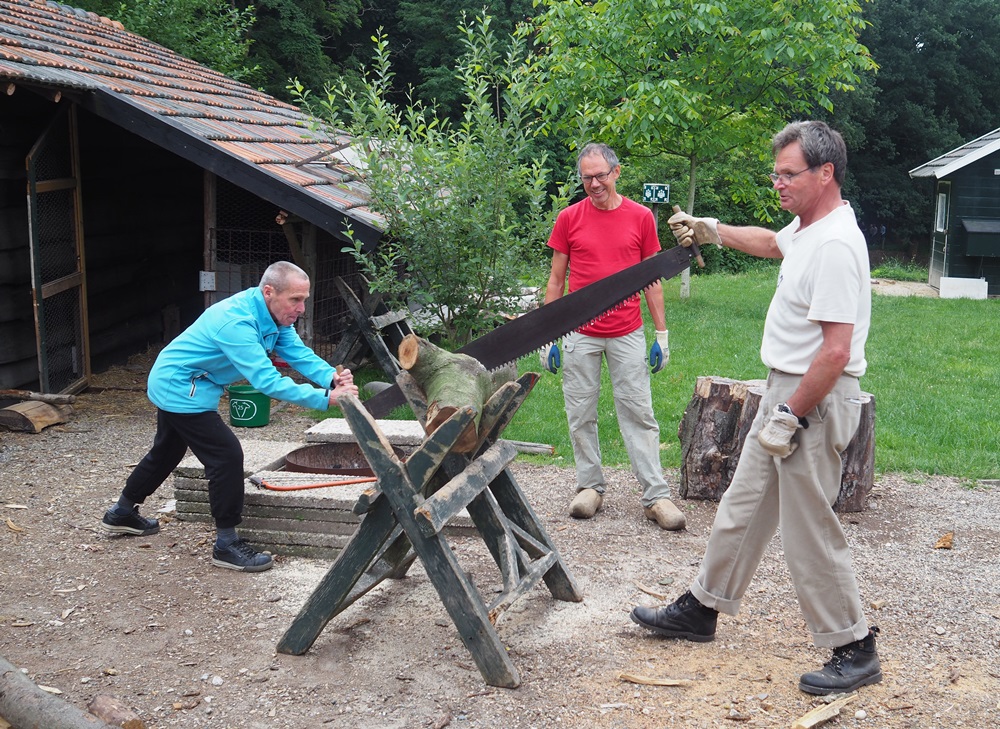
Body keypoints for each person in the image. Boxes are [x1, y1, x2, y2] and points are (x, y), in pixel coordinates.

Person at [630, 121, 880, 695]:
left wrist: (790, 414)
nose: (778, 183)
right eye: (776, 172)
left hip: (811, 399)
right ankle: (702, 607)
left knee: (807, 528)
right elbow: (771, 242)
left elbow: (836, 351)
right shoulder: (809, 229)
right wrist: (711, 229)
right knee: (742, 507)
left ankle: (855, 645)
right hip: (786, 392)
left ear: (826, 173)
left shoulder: (838, 245)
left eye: (789, 174)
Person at [100, 261, 359, 572]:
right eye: (295, 299)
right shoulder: (237, 322)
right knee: (225, 456)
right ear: (269, 292)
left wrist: (331, 377)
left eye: (303, 299)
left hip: (190, 382)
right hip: (181, 386)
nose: (301, 308)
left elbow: (298, 354)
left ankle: (122, 513)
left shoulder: (273, 316)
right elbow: (266, 381)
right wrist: (324, 398)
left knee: (167, 451)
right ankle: (226, 545)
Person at [541, 142, 685, 531]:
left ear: (616, 173)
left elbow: (653, 280)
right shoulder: (569, 218)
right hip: (578, 333)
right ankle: (590, 487)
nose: (593, 183)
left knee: (639, 412)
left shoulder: (640, 217)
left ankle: (656, 496)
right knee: (580, 412)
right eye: (586, 177)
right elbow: (556, 280)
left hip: (627, 331)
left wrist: (662, 333)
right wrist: (546, 335)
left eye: (600, 175)